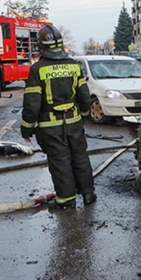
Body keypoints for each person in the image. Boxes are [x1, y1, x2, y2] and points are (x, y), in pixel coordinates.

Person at [21, 25, 96, 208]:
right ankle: (88, 194)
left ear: (41, 46)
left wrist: (27, 128)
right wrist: (83, 115)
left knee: (60, 161)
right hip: (74, 122)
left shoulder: (37, 69)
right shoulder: (74, 65)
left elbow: (32, 102)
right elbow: (84, 96)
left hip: (50, 125)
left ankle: (66, 200)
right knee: (80, 157)